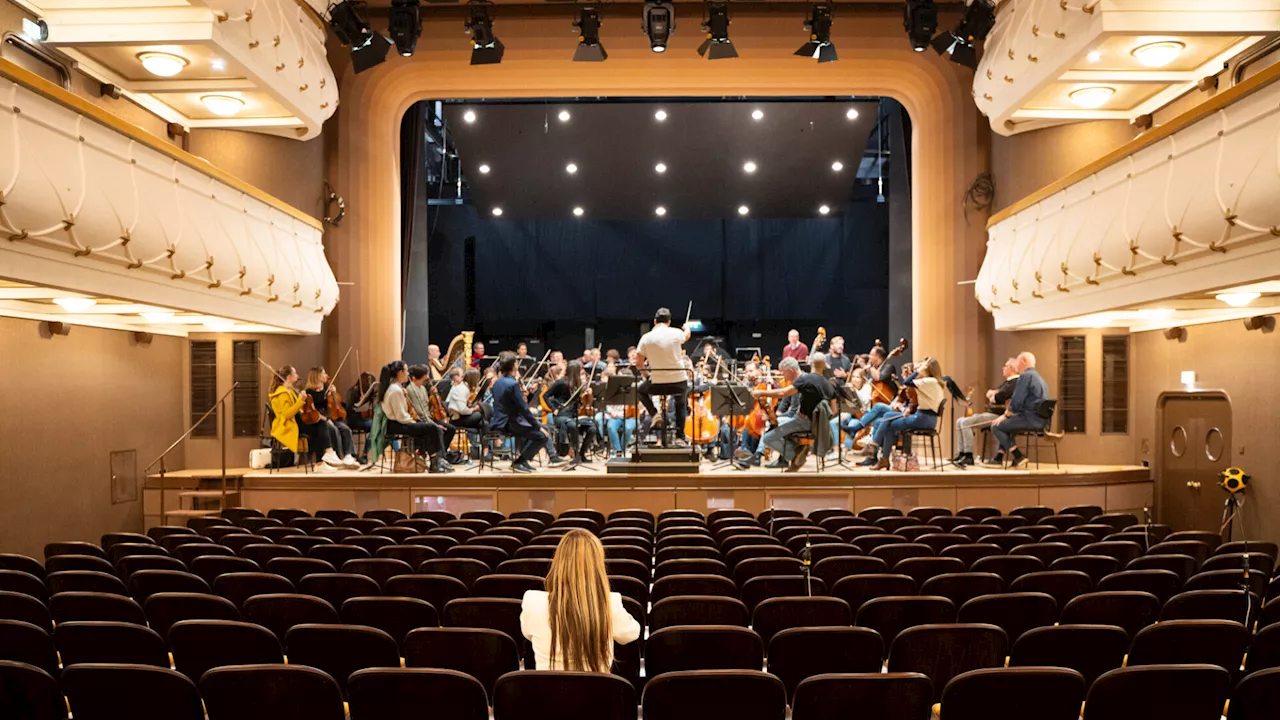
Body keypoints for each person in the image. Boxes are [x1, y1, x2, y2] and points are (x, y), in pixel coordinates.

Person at [520, 529, 641, 672]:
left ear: (558, 562)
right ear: (597, 566)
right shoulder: (610, 602)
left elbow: (527, 633)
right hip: (596, 693)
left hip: (547, 692)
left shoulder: (532, 601)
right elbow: (631, 634)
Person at [737, 357, 834, 472]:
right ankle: (762, 455)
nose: (782, 376)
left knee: (768, 438)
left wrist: (761, 392)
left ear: (790, 370)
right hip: (818, 423)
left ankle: (794, 454)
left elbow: (783, 393)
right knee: (769, 423)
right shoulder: (825, 381)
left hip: (804, 422)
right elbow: (833, 407)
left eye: (783, 372)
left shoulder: (803, 379)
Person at [491, 351, 568, 473]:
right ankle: (520, 461)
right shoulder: (512, 384)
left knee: (543, 429)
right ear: (514, 366)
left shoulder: (497, 383)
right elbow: (524, 410)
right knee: (542, 435)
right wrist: (537, 426)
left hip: (500, 421)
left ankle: (525, 460)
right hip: (510, 423)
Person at [871, 356, 946, 470]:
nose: (919, 368)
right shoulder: (933, 381)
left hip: (923, 419)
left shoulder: (928, 381)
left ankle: (875, 448)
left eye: (922, 367)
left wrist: (917, 372)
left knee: (888, 423)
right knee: (887, 417)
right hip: (924, 417)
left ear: (928, 369)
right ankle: (881, 455)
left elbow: (907, 381)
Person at [378, 360, 453, 473]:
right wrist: (418, 423)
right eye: (406, 371)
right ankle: (435, 463)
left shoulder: (397, 388)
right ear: (400, 372)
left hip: (399, 422)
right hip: (396, 424)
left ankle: (437, 460)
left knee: (431, 427)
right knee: (431, 428)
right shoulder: (395, 390)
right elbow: (401, 417)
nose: (408, 373)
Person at [635, 307, 693, 447]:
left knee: (640, 390)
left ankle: (655, 414)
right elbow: (687, 336)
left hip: (657, 383)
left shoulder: (646, 337)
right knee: (680, 402)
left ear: (655, 322)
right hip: (678, 381)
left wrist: (647, 375)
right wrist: (687, 328)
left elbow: (638, 363)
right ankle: (680, 436)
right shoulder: (676, 332)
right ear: (669, 322)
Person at [268, 365, 336, 473]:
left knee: (319, 424)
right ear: (289, 377)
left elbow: (297, 409)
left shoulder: (288, 390)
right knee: (320, 425)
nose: (298, 375)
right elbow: (287, 415)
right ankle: (326, 455)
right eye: (295, 373)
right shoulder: (282, 393)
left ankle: (323, 459)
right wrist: (300, 401)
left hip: (297, 421)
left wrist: (304, 402)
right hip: (289, 425)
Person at [953, 357, 1019, 466]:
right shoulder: (1008, 383)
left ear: (1011, 368)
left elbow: (999, 397)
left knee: (965, 423)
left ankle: (969, 455)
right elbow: (991, 392)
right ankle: (962, 452)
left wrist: (993, 395)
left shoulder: (1014, 383)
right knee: (959, 420)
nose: (1003, 368)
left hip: (998, 415)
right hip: (992, 413)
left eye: (1005, 366)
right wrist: (993, 394)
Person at [990, 351, 1049, 468]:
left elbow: (1017, 400)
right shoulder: (1039, 378)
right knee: (1007, 426)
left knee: (996, 426)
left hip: (1029, 418)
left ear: (1023, 362)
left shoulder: (1025, 376)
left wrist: (1005, 415)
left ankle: (1018, 456)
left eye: (1017, 362)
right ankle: (999, 457)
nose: (1016, 366)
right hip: (1041, 420)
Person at [544, 360, 598, 468]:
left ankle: (582, 453)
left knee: (592, 427)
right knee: (572, 425)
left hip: (574, 415)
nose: (582, 373)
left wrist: (588, 394)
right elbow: (545, 396)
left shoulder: (579, 384)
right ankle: (574, 455)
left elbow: (583, 401)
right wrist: (553, 408)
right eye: (580, 371)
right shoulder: (560, 383)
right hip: (561, 415)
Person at [304, 367, 360, 468]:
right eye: (323, 373)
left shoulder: (326, 388)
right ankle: (339, 456)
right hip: (319, 419)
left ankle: (348, 455)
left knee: (345, 429)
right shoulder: (309, 392)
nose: (326, 375)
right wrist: (326, 419)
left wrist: (333, 393)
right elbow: (313, 412)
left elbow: (333, 404)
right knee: (334, 430)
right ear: (317, 376)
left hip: (329, 416)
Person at [406, 364, 458, 453]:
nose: (427, 377)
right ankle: (438, 458)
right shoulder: (411, 389)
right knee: (438, 430)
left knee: (451, 429)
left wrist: (432, 395)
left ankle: (442, 454)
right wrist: (434, 424)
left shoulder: (422, 388)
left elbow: (427, 406)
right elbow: (419, 411)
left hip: (429, 417)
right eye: (425, 375)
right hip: (421, 420)